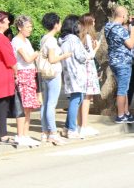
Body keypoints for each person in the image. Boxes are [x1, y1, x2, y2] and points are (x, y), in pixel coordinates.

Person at [59, 15, 97, 139]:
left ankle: (66, 127)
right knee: (76, 100)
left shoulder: (63, 39)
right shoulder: (74, 39)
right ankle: (71, 129)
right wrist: (92, 51)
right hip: (77, 73)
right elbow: (81, 56)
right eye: (78, 24)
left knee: (74, 100)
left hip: (68, 72)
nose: (80, 26)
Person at [41, 13, 72, 143]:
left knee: (46, 103)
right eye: (58, 22)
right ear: (55, 24)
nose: (60, 25)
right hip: (53, 74)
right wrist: (65, 55)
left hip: (44, 73)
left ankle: (45, 132)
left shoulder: (44, 38)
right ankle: (53, 132)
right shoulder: (52, 40)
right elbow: (52, 59)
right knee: (51, 104)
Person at [11, 16, 41, 147]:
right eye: (28, 27)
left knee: (28, 107)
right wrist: (36, 54)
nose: (30, 29)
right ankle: (20, 134)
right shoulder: (16, 41)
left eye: (31, 27)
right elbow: (28, 59)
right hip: (22, 74)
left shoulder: (27, 41)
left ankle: (25, 134)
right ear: (19, 27)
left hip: (30, 74)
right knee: (22, 106)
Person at [104, 6, 134, 125]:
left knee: (124, 88)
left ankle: (126, 112)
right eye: (126, 16)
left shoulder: (108, 26)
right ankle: (120, 115)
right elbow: (131, 44)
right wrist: (132, 32)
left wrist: (127, 26)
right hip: (123, 62)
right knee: (122, 90)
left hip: (113, 61)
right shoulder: (121, 30)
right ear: (123, 16)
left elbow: (118, 38)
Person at [76, 14, 101, 137]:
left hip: (83, 68)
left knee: (83, 98)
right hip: (88, 68)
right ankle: (84, 125)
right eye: (93, 22)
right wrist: (97, 48)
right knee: (87, 98)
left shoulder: (80, 36)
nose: (95, 23)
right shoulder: (87, 36)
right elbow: (90, 55)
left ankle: (80, 125)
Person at [0, 10, 16, 145]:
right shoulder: (2, 38)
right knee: (2, 106)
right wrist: (17, 73)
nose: (8, 22)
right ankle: (3, 135)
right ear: (0, 22)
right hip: (2, 75)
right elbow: (10, 61)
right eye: (6, 20)